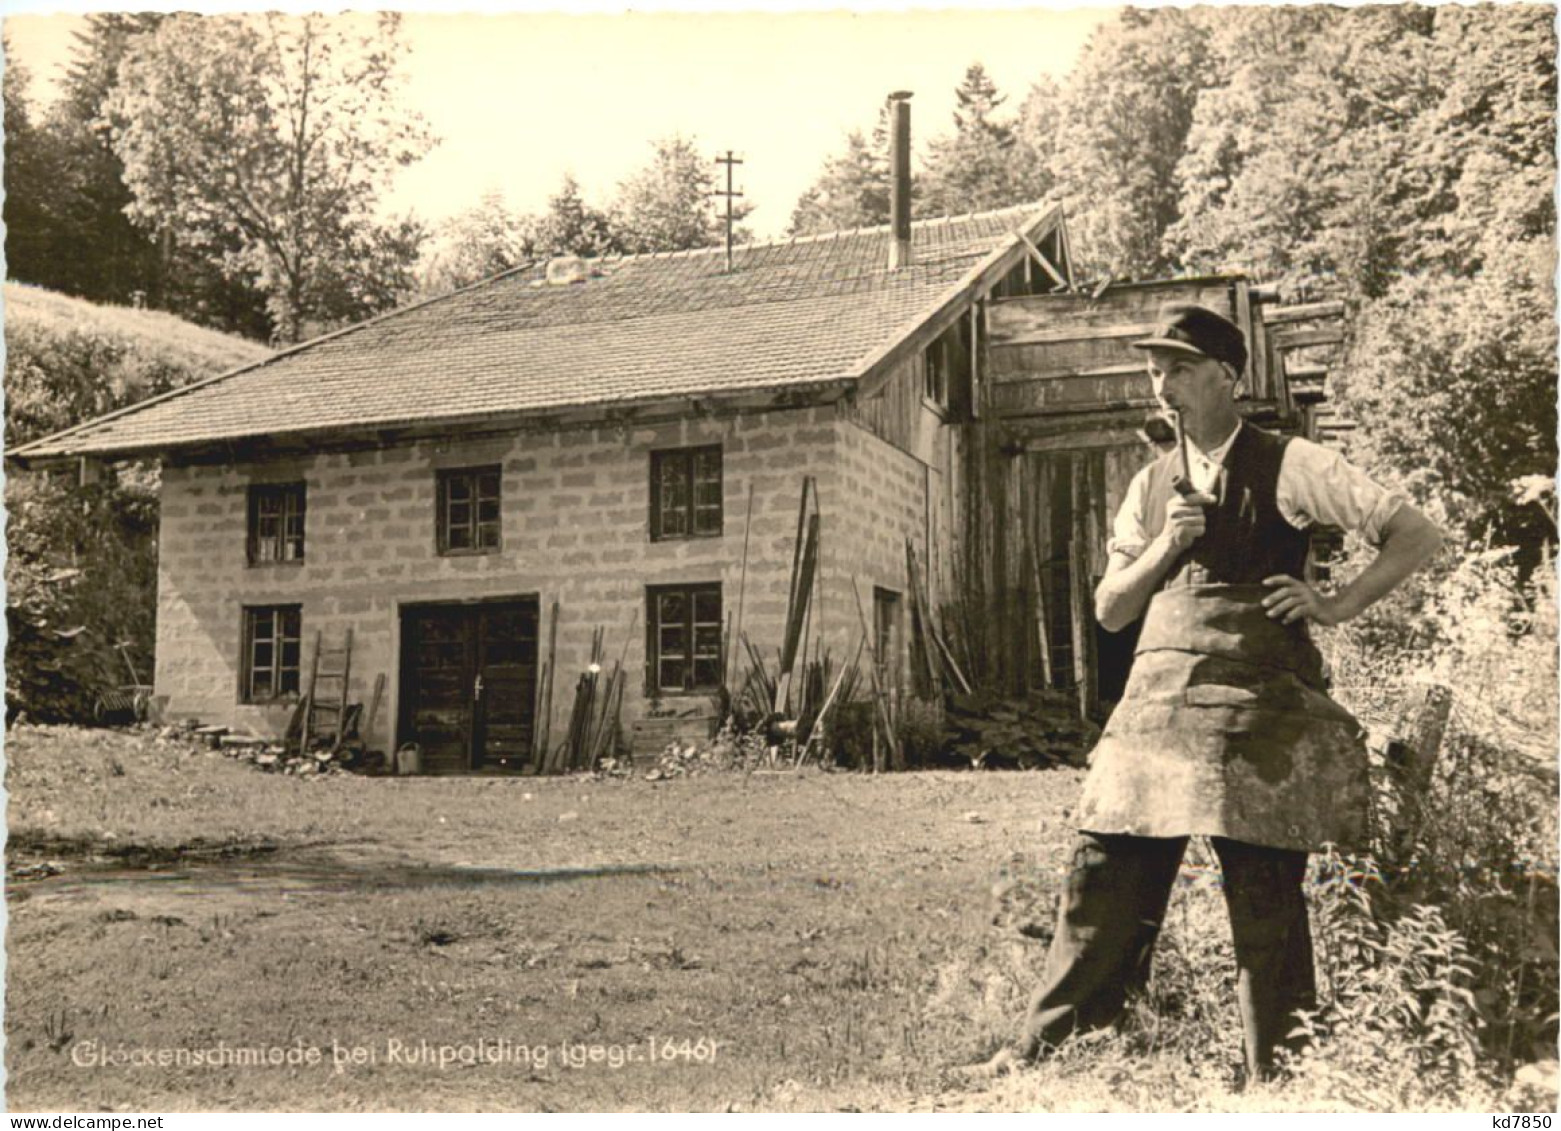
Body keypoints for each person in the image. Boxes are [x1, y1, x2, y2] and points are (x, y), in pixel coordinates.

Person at [975, 302, 1443, 1084]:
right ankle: (1054, 1058)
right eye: (1155, 371)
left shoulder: (1291, 463)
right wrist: (1168, 542)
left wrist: (1331, 605)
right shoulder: (1149, 485)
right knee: (1104, 872)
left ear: (1229, 376)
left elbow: (1416, 533)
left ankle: (1281, 1076)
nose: (1163, 387)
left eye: (1180, 369)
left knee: (1263, 890)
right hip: (1155, 705)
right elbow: (1111, 609)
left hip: (1257, 707)